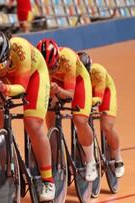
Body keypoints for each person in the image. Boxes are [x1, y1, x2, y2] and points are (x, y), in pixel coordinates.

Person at [0, 31, 55, 201]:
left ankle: (48, 180)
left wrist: (4, 88)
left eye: (0, 63)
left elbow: (21, 88)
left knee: (32, 124)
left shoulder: (20, 49)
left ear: (8, 54)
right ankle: (8, 140)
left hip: (33, 75)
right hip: (7, 78)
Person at [36, 39, 98, 182]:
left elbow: (70, 95)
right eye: (47, 69)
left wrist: (58, 90)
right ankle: (56, 158)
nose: (50, 70)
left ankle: (91, 161)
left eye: (51, 67)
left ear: (58, 59)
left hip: (78, 81)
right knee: (49, 114)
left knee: (79, 120)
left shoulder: (68, 59)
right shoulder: (40, 63)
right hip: (57, 82)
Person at [78, 51, 125, 178]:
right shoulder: (76, 74)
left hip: (105, 93)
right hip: (88, 94)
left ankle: (117, 157)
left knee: (106, 126)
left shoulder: (97, 71)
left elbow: (98, 98)